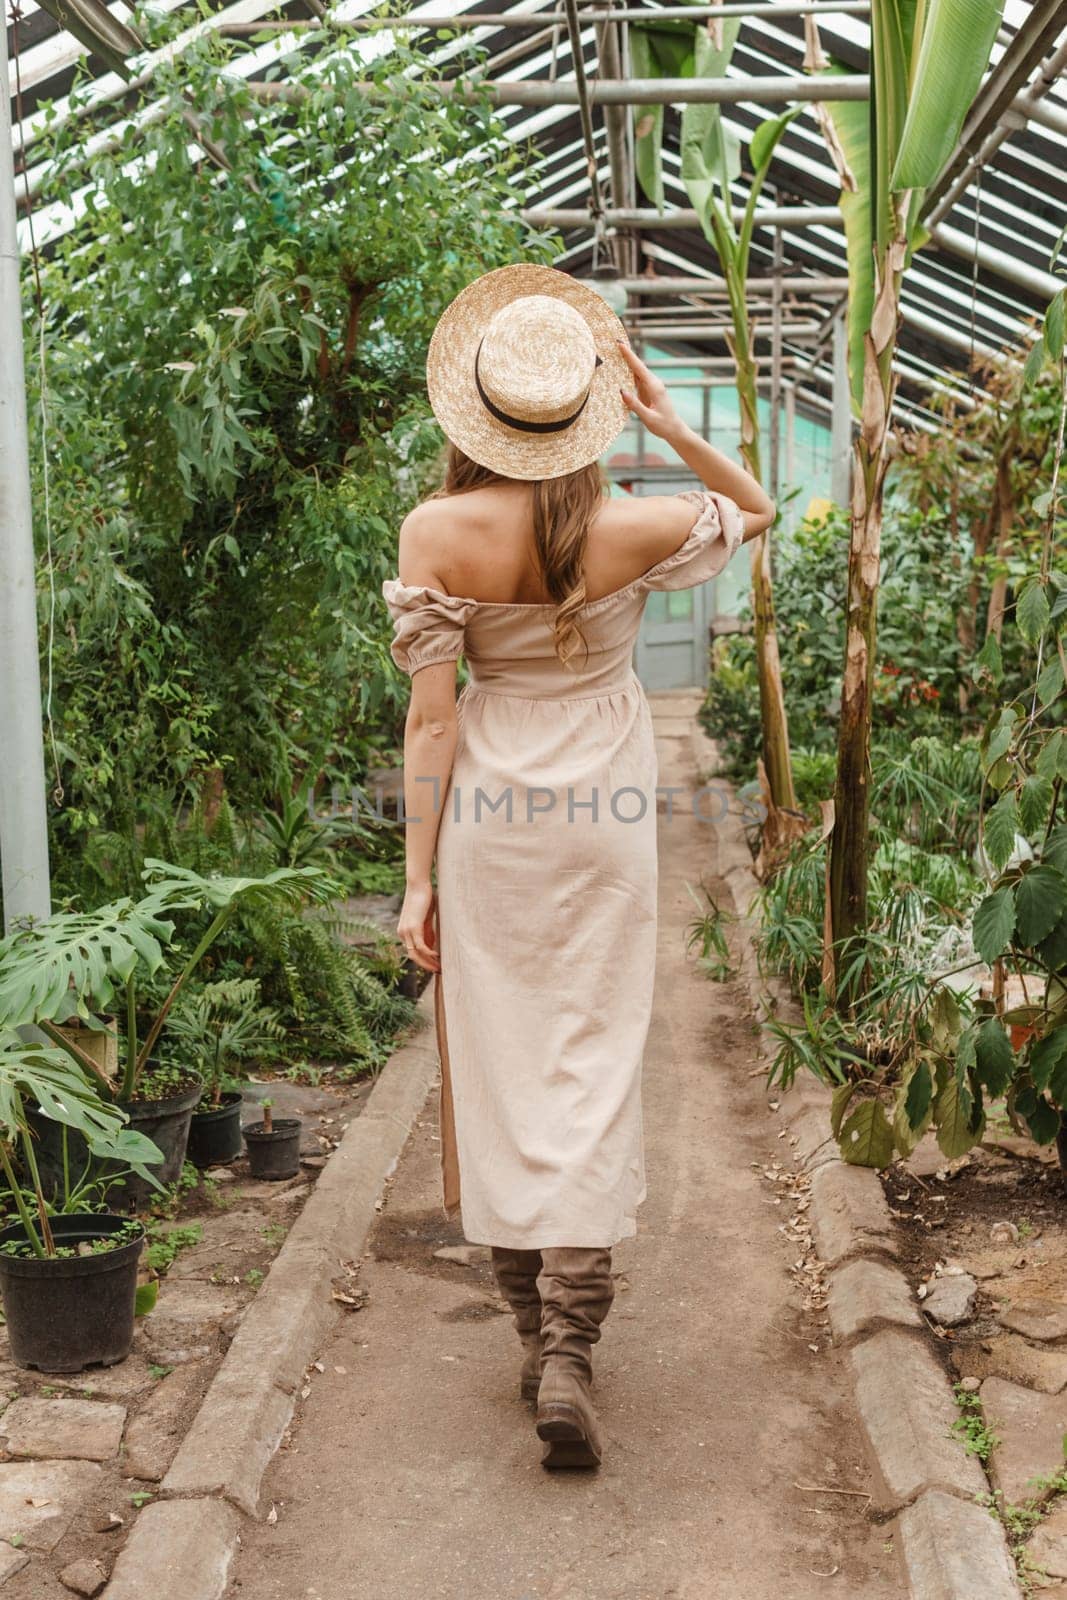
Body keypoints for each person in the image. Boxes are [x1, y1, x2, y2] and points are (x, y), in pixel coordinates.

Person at [382, 263, 774, 1470]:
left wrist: (417, 881)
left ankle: (526, 1335)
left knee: (499, 1066)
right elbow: (752, 511)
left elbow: (431, 723)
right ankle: (571, 1347)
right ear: (586, 414)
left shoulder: (437, 530)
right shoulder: (636, 521)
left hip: (493, 817)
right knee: (591, 1062)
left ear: (478, 412)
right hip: (604, 822)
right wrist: (666, 423)